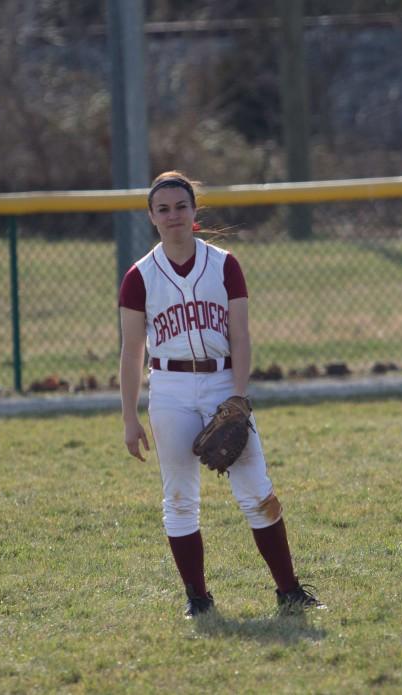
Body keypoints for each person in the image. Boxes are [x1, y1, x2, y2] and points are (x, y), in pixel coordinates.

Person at [118, 170, 324, 618]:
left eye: (181, 206)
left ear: (195, 212)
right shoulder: (140, 277)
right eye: (163, 209)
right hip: (169, 386)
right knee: (179, 498)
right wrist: (129, 418)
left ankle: (289, 591)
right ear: (151, 217)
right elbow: (131, 352)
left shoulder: (224, 264)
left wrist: (237, 395)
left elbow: (242, 335)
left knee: (256, 489)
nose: (173, 216)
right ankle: (197, 598)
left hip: (220, 381)